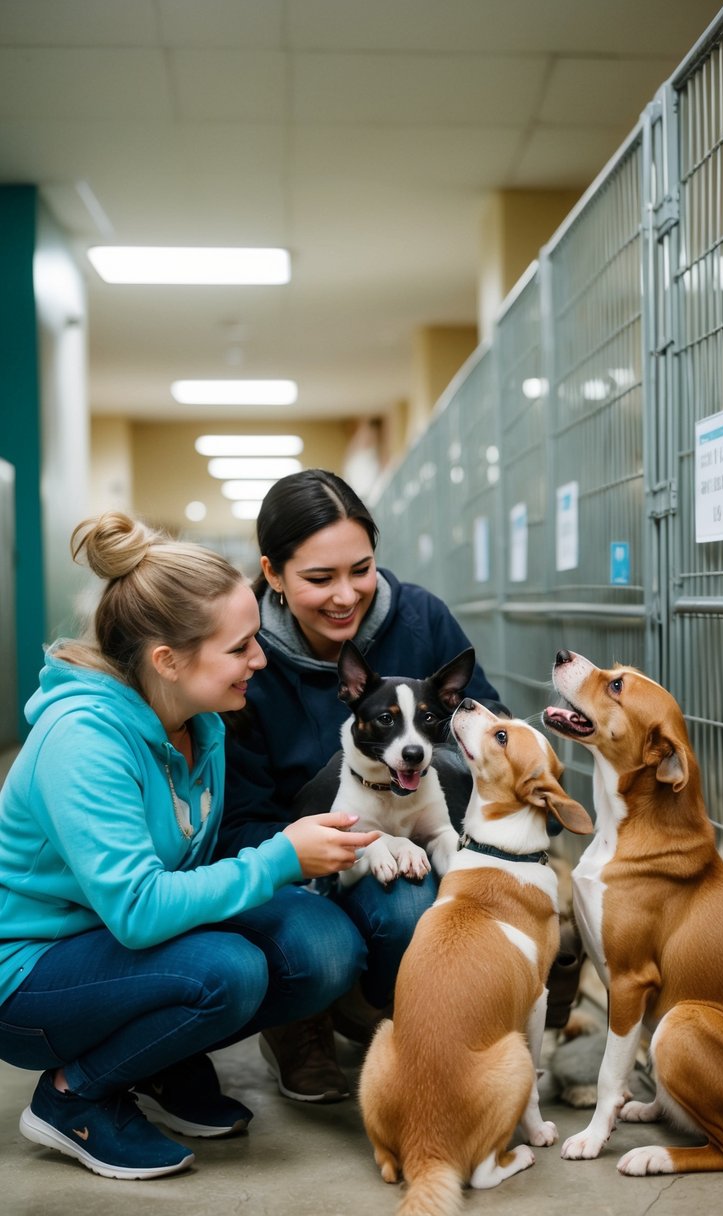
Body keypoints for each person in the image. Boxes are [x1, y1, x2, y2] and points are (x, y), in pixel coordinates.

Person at [0, 512, 379, 1181]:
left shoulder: (200, 722)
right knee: (228, 969)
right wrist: (281, 858)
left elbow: (192, 869)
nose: (258, 660)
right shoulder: (82, 742)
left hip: (121, 951)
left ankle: (156, 1057)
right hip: (33, 977)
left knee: (322, 945)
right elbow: (140, 910)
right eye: (239, 649)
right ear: (167, 661)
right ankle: (73, 1097)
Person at [218, 469, 503, 1104]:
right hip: (294, 861)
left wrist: (418, 773)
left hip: (417, 837)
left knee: (411, 903)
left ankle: (397, 1020)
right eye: (319, 578)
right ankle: (305, 1018)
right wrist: (317, 840)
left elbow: (492, 732)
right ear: (273, 573)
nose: (346, 595)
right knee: (326, 950)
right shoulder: (245, 655)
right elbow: (235, 820)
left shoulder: (422, 619)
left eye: (362, 568)